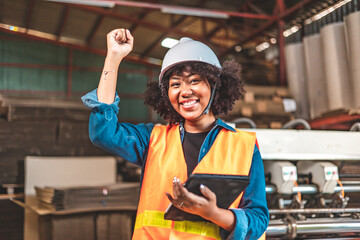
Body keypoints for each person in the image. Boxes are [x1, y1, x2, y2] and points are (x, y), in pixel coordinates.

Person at [82, 28, 269, 240]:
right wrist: (113, 58)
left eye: (194, 80)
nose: (185, 91)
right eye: (175, 84)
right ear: (166, 94)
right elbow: (103, 133)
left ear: (215, 85)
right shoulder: (152, 140)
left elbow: (258, 218)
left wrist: (214, 214)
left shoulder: (244, 147)